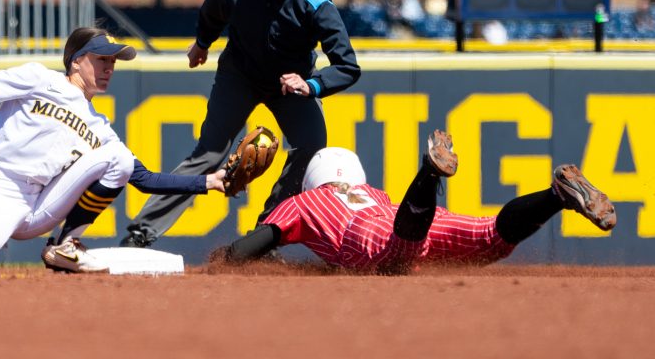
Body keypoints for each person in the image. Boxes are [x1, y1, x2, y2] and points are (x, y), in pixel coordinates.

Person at [0, 27, 226, 274]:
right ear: (76, 61)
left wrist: (208, 181)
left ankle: (66, 245)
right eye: (102, 60)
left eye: (113, 62)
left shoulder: (99, 126)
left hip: (42, 205)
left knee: (119, 158)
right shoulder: (40, 79)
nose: (109, 68)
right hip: (1, 186)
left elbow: (143, 179)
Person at [120, 0, 361, 248]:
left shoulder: (315, 3)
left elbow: (348, 66)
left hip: (291, 85)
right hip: (239, 76)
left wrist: (312, 85)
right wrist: (202, 43)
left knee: (312, 149)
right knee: (208, 154)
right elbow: (211, 13)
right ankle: (141, 232)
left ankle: (265, 233)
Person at [214, 130, 617, 274]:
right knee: (490, 239)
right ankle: (555, 196)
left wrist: (227, 258)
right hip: (393, 212)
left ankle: (428, 173)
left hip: (372, 234)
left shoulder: (304, 202)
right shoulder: (372, 193)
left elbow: (256, 242)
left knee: (399, 251)